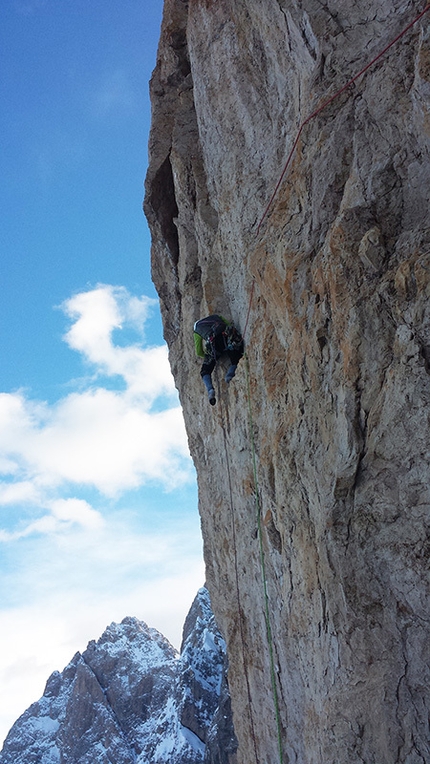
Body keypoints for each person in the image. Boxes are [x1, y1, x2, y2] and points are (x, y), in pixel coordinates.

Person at [193, 314, 244, 405]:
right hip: (227, 336)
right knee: (235, 356)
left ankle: (210, 389)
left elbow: (199, 351)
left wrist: (208, 356)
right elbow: (229, 326)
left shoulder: (197, 330)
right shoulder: (216, 317)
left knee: (205, 371)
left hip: (214, 345)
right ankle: (230, 373)